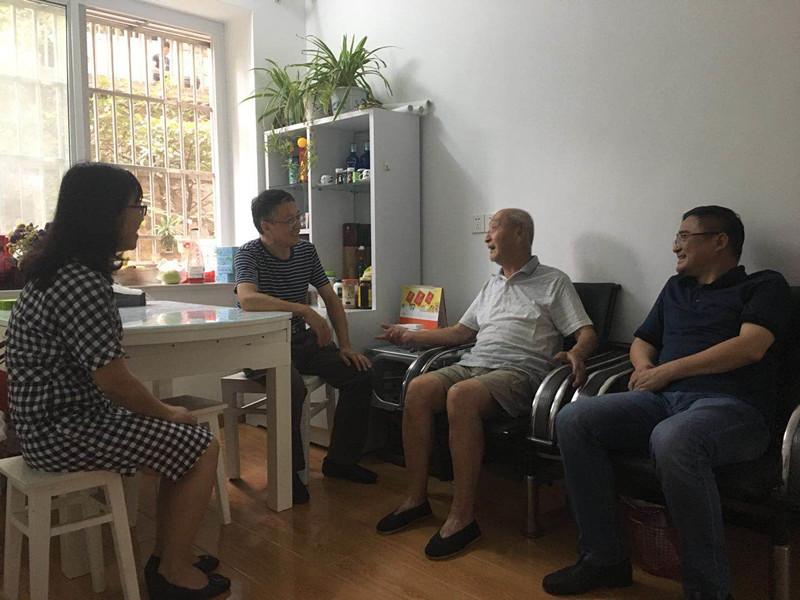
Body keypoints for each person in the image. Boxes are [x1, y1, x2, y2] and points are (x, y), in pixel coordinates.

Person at [5, 162, 230, 599]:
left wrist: (161, 415)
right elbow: (113, 380)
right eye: (136, 207)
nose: (141, 217)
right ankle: (172, 571)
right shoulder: (80, 281)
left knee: (182, 442)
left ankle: (169, 556)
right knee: (202, 447)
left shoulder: (59, 271)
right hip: (60, 431)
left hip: (44, 424)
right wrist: (165, 411)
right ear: (104, 213)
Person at [543, 206, 791, 600]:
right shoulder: (676, 288)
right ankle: (604, 558)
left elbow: (751, 346)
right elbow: (643, 341)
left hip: (731, 408)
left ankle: (708, 591)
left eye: (684, 236)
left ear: (720, 241)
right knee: (574, 418)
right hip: (663, 400)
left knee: (673, 438)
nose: (675, 246)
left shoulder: (764, 284)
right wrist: (645, 369)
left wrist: (667, 371)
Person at [375, 208, 597, 559]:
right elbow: (460, 333)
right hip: (474, 363)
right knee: (418, 387)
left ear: (520, 232)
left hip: (519, 372)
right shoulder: (491, 284)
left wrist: (578, 352)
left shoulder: (554, 281)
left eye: (494, 228)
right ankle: (416, 499)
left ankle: (462, 517)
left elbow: (586, 332)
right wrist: (409, 335)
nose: (487, 237)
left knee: (460, 396)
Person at [235, 189, 376, 504]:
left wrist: (345, 345)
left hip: (301, 341)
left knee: (360, 373)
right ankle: (290, 473)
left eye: (297, 217)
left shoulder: (305, 251)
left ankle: (340, 461)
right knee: (291, 386)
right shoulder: (249, 254)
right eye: (288, 220)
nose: (297, 225)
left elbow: (331, 298)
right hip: (262, 344)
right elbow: (247, 298)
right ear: (266, 226)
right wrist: (303, 310)